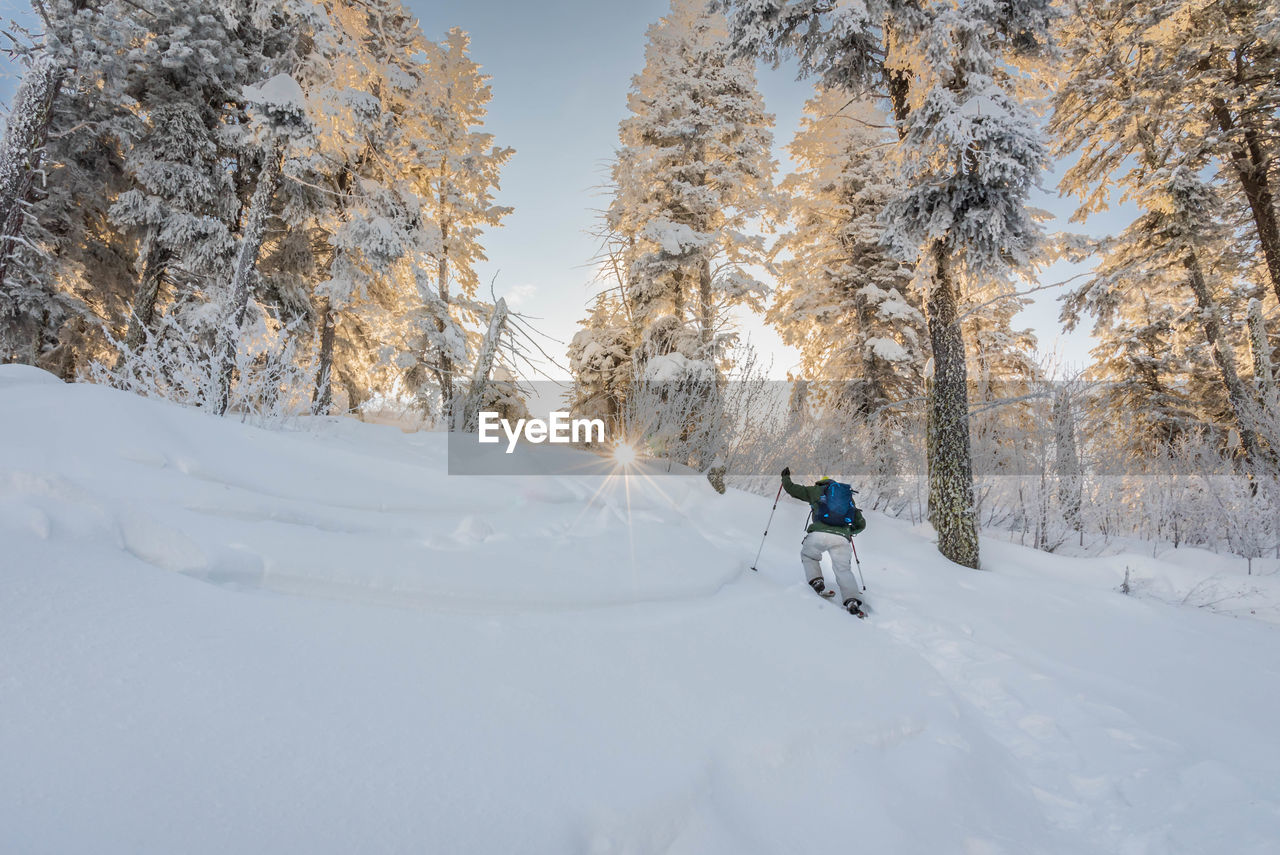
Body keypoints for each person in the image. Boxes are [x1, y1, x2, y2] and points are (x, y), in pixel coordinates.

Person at [781, 467, 866, 614]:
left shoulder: (815, 491)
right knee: (843, 570)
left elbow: (792, 489)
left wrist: (785, 477)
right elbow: (861, 524)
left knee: (809, 556)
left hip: (818, 534)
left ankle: (816, 580)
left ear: (820, 483)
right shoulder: (847, 497)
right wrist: (848, 532)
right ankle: (851, 600)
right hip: (841, 539)